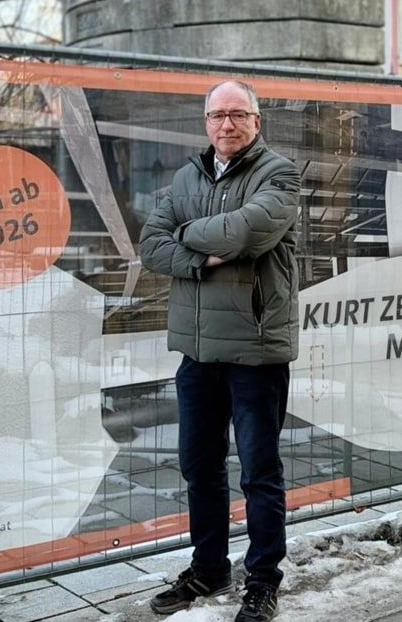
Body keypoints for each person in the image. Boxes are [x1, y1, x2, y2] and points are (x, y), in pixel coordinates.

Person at [138, 80, 300, 622]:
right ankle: (208, 568)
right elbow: (151, 247)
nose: (226, 125)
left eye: (237, 114)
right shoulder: (187, 176)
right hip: (198, 353)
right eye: (216, 115)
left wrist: (188, 234)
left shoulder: (278, 172)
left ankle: (262, 581)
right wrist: (200, 257)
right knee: (199, 466)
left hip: (255, 352)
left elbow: (247, 232)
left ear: (257, 120)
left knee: (259, 471)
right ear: (205, 122)